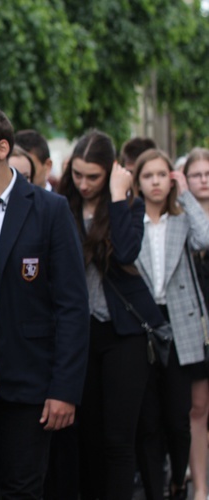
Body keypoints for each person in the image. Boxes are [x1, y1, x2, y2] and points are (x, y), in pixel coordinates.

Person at [0, 104, 90, 499]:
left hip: (28, 382)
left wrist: (65, 389)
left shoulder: (49, 209)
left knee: (22, 488)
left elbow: (72, 306)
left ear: (2, 147)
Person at [57, 130, 163, 500]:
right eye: (78, 175)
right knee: (85, 436)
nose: (84, 184)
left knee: (119, 438)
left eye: (94, 177)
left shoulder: (127, 205)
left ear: (111, 172)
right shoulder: (59, 204)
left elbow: (126, 253)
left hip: (123, 334)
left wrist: (118, 195)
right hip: (77, 334)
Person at [131, 148, 209, 500]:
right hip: (144, 324)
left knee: (180, 417)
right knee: (149, 418)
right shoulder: (133, 221)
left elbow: (205, 238)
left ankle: (179, 479)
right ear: (139, 182)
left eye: (163, 175)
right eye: (148, 176)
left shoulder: (182, 218)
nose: (157, 182)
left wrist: (187, 195)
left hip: (181, 325)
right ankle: (155, 487)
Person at [182, 147, 209, 500]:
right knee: (198, 407)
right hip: (196, 327)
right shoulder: (181, 214)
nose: (204, 180)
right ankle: (201, 488)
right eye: (197, 174)